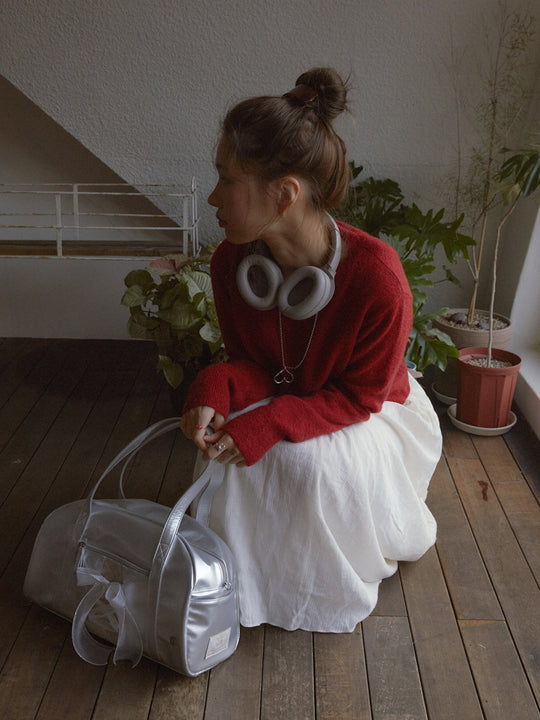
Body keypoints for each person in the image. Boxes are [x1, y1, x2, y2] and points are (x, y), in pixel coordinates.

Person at [180, 67, 441, 633]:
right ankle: (253, 577)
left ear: (285, 194)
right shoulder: (232, 264)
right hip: (298, 395)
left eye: (227, 179)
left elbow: (359, 398)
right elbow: (257, 366)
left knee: (303, 464)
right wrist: (217, 385)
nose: (214, 197)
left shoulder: (378, 280)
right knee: (232, 450)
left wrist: (272, 421)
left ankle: (307, 585)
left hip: (374, 411)